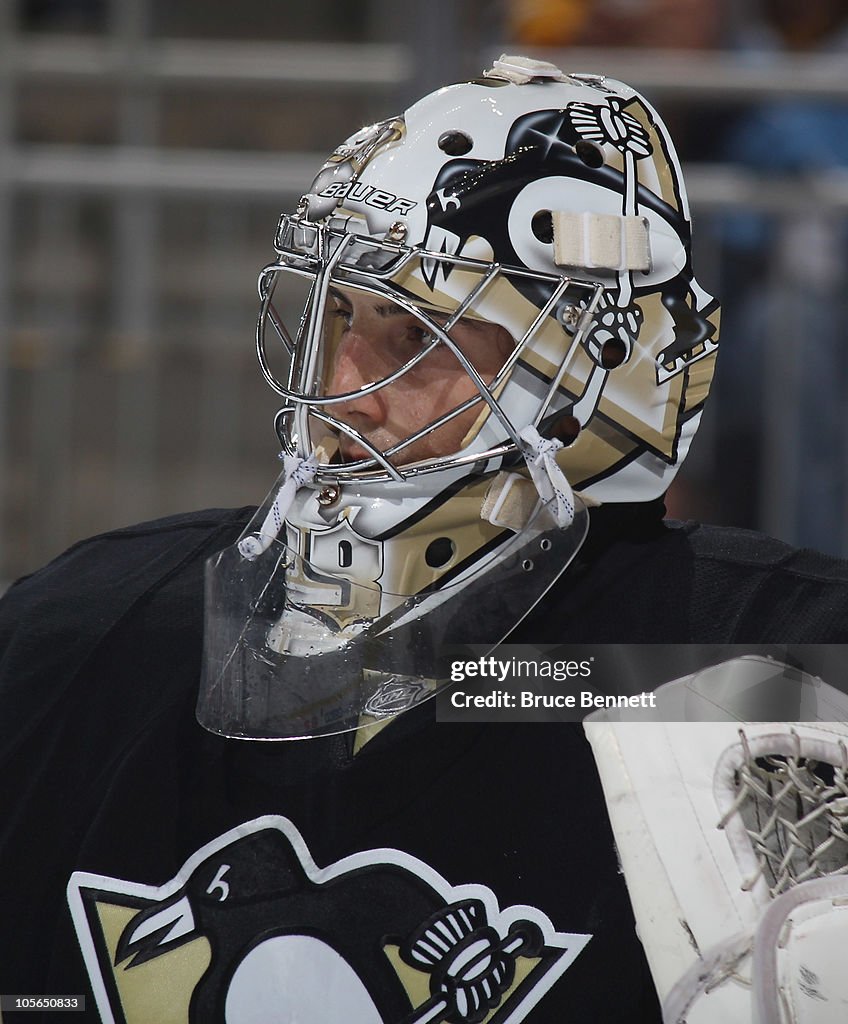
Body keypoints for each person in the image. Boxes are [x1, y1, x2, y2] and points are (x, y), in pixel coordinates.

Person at [2, 54, 848, 1024]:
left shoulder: (761, 670)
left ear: (585, 376)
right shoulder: (78, 636)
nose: (339, 388)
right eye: (338, 315)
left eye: (416, 336)